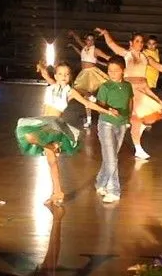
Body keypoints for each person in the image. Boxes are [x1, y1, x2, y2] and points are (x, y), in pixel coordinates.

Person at [15, 61, 119, 206]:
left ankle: (53, 148)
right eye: (60, 74)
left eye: (67, 74)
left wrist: (108, 110)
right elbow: (45, 74)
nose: (64, 77)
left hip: (54, 125)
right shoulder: (52, 85)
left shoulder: (69, 91)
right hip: (42, 123)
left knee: (29, 136)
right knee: (51, 162)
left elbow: (87, 104)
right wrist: (42, 68)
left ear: (70, 77)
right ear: (56, 76)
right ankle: (57, 192)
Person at [95, 28, 162, 159]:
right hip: (132, 89)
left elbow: (159, 66)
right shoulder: (126, 54)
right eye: (137, 41)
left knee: (158, 108)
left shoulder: (145, 57)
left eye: (142, 42)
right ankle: (138, 147)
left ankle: (134, 130)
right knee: (137, 119)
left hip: (144, 88)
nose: (140, 44)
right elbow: (111, 44)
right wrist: (106, 34)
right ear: (131, 43)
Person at [95, 55, 133, 203]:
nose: (112, 73)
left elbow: (130, 101)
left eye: (116, 71)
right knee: (111, 159)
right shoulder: (105, 87)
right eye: (110, 71)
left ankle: (100, 182)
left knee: (111, 157)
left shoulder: (127, 86)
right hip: (106, 124)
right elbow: (99, 106)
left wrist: (128, 118)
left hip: (122, 124)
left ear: (123, 70)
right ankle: (113, 190)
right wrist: (109, 110)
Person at [68, 30, 111, 127]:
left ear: (94, 41)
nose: (90, 42)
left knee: (86, 97)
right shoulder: (84, 48)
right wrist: (73, 35)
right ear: (86, 40)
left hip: (92, 73)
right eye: (88, 40)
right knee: (76, 89)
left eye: (92, 40)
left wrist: (114, 61)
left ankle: (89, 119)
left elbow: (107, 57)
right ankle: (90, 114)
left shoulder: (95, 50)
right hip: (84, 73)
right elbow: (79, 42)